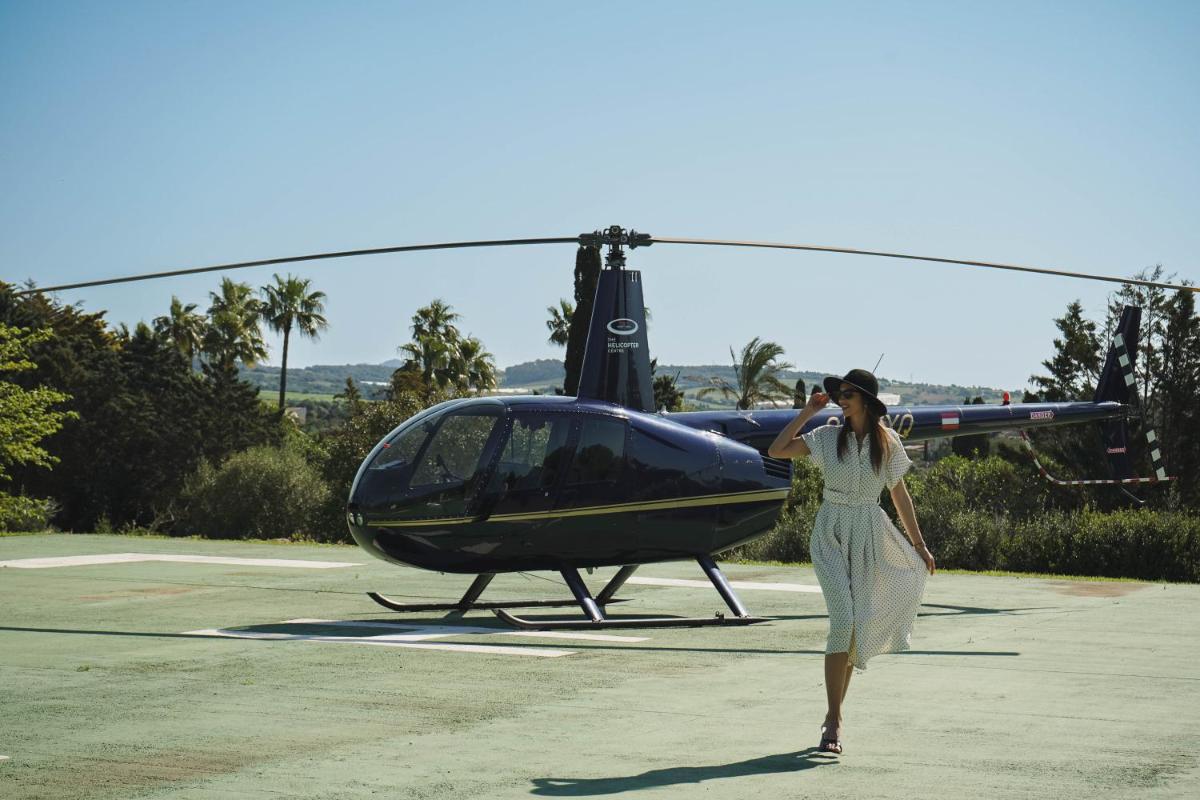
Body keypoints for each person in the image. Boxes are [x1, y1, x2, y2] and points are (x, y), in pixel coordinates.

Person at [767, 368, 936, 756]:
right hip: (830, 533)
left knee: (855, 627)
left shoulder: (887, 442)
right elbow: (777, 450)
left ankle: (835, 716)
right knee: (842, 620)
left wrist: (919, 545)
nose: (840, 399)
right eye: (839, 394)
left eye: (848, 394)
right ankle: (833, 719)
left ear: (866, 401)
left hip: (868, 534)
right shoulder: (828, 437)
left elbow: (900, 496)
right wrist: (807, 411)